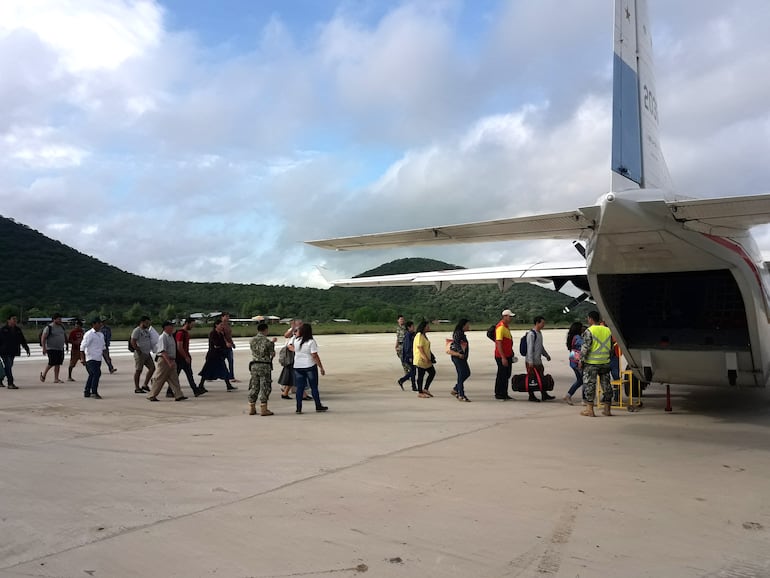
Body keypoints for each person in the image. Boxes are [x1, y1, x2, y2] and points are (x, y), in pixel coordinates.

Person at [578, 310, 614, 417]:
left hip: (592, 363)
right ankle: (607, 410)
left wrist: (581, 360)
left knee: (590, 385)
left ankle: (590, 410)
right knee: (606, 385)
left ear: (590, 319)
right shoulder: (608, 330)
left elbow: (586, 347)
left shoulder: (589, 331)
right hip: (605, 362)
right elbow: (611, 347)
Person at [288, 323, 327, 414]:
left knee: (300, 388)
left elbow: (289, 346)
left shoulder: (296, 340)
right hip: (309, 366)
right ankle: (318, 405)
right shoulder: (311, 341)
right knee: (314, 387)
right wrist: (321, 367)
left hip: (298, 366)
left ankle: (299, 408)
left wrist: (297, 351)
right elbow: (314, 355)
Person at [147, 321, 186, 402]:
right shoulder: (163, 337)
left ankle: (179, 395)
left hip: (171, 360)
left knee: (174, 379)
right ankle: (152, 395)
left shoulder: (171, 336)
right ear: (166, 327)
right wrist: (169, 362)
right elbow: (163, 351)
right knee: (159, 379)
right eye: (171, 326)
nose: (172, 328)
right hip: (165, 360)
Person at [198, 317, 236, 392]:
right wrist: (225, 345)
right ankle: (200, 385)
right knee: (206, 371)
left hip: (219, 356)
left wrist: (227, 344)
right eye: (221, 325)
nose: (222, 326)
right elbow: (216, 344)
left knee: (224, 370)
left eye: (222, 325)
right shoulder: (213, 334)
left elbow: (222, 343)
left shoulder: (220, 334)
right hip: (212, 356)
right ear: (216, 325)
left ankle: (228, 385)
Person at [248, 322, 276, 416]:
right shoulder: (267, 341)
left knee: (254, 385)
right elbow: (272, 354)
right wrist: (272, 344)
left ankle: (252, 407)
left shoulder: (252, 340)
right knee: (265, 386)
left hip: (254, 365)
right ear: (265, 330)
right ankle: (264, 408)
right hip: (264, 366)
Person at [524, 316, 554, 402]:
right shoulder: (531, 334)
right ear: (537, 323)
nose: (543, 325)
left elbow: (540, 346)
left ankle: (544, 394)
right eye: (542, 323)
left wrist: (546, 355)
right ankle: (531, 395)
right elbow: (530, 348)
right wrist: (530, 361)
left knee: (541, 377)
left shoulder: (539, 333)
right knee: (531, 379)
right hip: (532, 361)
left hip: (538, 361)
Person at [170, 318, 202, 396]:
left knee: (188, 374)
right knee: (177, 375)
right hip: (180, 358)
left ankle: (195, 390)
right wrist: (186, 357)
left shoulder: (185, 333)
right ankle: (170, 391)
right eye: (192, 325)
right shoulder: (181, 333)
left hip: (184, 357)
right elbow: (179, 347)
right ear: (187, 323)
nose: (192, 327)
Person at [0, 315, 31, 389]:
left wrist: (26, 348)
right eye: (13, 319)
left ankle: (0, 379)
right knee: (8, 366)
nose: (15, 321)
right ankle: (10, 383)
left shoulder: (18, 330)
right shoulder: (3, 330)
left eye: (15, 319)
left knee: (9, 366)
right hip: (4, 351)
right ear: (8, 320)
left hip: (13, 351)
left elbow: (22, 340)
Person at [80, 318, 106, 399]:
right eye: (99, 323)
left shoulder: (101, 335)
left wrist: (107, 358)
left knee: (92, 374)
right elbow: (82, 347)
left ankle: (87, 391)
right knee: (97, 373)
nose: (100, 325)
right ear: (94, 324)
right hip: (90, 358)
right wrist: (82, 358)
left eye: (101, 323)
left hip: (98, 358)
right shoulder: (89, 334)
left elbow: (103, 347)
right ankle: (94, 392)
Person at [493, 309, 516, 401]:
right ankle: (499, 394)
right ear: (505, 316)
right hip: (501, 356)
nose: (511, 318)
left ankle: (504, 393)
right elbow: (498, 343)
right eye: (509, 317)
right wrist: (503, 357)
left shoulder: (506, 327)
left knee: (506, 375)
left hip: (508, 355)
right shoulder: (500, 327)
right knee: (501, 375)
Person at [447, 319, 471, 402]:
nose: (468, 326)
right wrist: (460, 353)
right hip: (458, 357)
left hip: (462, 357)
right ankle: (461, 394)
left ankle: (456, 389)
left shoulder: (461, 333)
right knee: (461, 374)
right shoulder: (458, 333)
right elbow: (457, 343)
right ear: (463, 325)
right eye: (467, 325)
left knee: (467, 373)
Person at [40, 313, 68, 384]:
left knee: (58, 363)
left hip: (60, 348)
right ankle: (43, 375)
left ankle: (56, 378)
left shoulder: (62, 327)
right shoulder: (49, 327)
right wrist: (44, 348)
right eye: (58, 319)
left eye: (60, 319)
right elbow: (43, 338)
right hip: (51, 348)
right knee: (52, 362)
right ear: (54, 319)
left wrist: (66, 344)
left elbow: (64, 336)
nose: (60, 320)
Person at [130, 316, 155, 394]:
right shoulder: (137, 330)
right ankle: (137, 387)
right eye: (146, 322)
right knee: (138, 370)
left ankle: (145, 384)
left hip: (147, 353)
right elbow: (133, 341)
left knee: (152, 368)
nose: (148, 324)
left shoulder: (147, 331)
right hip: (140, 353)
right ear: (142, 322)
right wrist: (137, 349)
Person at [563, 322, 584, 405]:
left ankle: (568, 395)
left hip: (573, 360)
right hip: (578, 361)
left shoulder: (572, 337)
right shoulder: (578, 338)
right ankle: (585, 399)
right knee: (584, 381)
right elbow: (585, 346)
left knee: (580, 380)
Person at [413, 320, 435, 398]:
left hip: (426, 359)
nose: (429, 327)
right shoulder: (419, 335)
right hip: (421, 359)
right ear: (424, 327)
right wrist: (425, 358)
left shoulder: (424, 335)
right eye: (427, 326)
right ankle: (420, 392)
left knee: (432, 373)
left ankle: (425, 389)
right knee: (421, 375)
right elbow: (420, 348)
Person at [397, 321, 416, 391]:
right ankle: (412, 386)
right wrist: (410, 356)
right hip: (409, 356)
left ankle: (403, 381)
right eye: (412, 326)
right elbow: (408, 347)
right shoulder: (408, 335)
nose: (414, 327)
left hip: (411, 355)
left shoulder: (412, 334)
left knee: (413, 371)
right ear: (409, 327)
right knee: (413, 371)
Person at [221, 312, 239, 382]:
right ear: (222, 317)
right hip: (223, 347)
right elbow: (222, 336)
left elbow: (229, 336)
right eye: (226, 316)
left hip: (229, 346)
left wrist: (232, 343)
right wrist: (226, 343)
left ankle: (231, 376)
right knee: (218, 362)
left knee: (231, 361)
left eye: (228, 316)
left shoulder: (228, 325)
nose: (228, 318)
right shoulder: (221, 325)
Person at [395, 315, 410, 384]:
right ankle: (407, 374)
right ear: (398, 320)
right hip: (400, 346)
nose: (402, 320)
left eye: (403, 319)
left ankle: (410, 372)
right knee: (402, 361)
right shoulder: (398, 328)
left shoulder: (406, 327)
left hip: (406, 345)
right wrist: (396, 345)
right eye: (401, 319)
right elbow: (398, 338)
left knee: (407, 360)